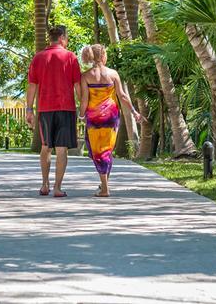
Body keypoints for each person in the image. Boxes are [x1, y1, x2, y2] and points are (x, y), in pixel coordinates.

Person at [79, 43, 143, 197]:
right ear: (102, 56)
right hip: (111, 117)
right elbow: (122, 95)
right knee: (107, 151)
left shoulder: (86, 76)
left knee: (97, 151)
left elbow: (84, 100)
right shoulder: (113, 74)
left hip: (94, 118)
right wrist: (134, 112)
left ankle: (105, 188)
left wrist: (81, 116)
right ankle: (104, 185)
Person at [25, 25, 81, 197]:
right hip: (66, 109)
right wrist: (84, 107)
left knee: (45, 147)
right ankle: (57, 188)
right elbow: (78, 86)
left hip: (45, 109)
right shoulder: (70, 56)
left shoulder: (38, 57)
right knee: (61, 149)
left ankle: (44, 185)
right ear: (63, 38)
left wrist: (29, 109)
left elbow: (32, 86)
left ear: (51, 38)